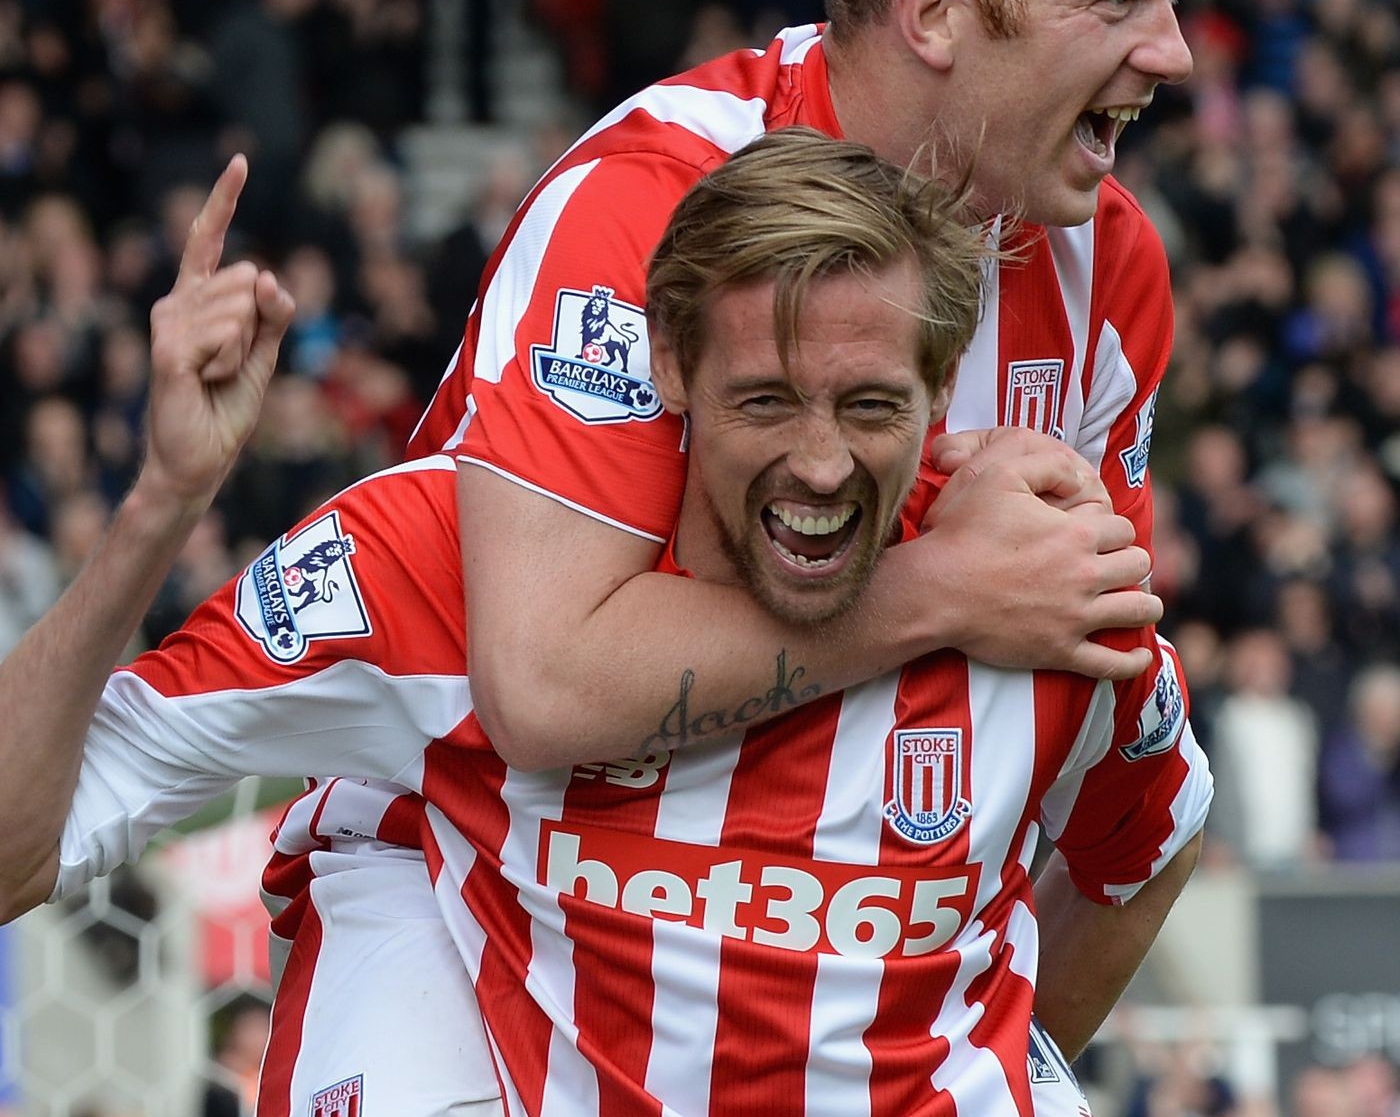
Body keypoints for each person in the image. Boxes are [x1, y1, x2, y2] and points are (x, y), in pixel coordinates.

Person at [267, 0, 1196, 1110]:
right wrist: (940, 588)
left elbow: (1102, 727)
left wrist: (943, 1059)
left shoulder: (1106, 267)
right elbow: (542, 687)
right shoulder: (645, 201)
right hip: (475, 871)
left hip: (815, 914)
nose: (1171, 49)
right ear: (934, 13)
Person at [0, 130, 1209, 1116]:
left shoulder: (1040, 585)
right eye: (764, 400)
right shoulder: (441, 570)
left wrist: (1004, 1057)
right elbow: (17, 846)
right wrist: (163, 500)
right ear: (670, 366)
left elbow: (1149, 844)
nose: (820, 462)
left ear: (942, 387)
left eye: (870, 405)